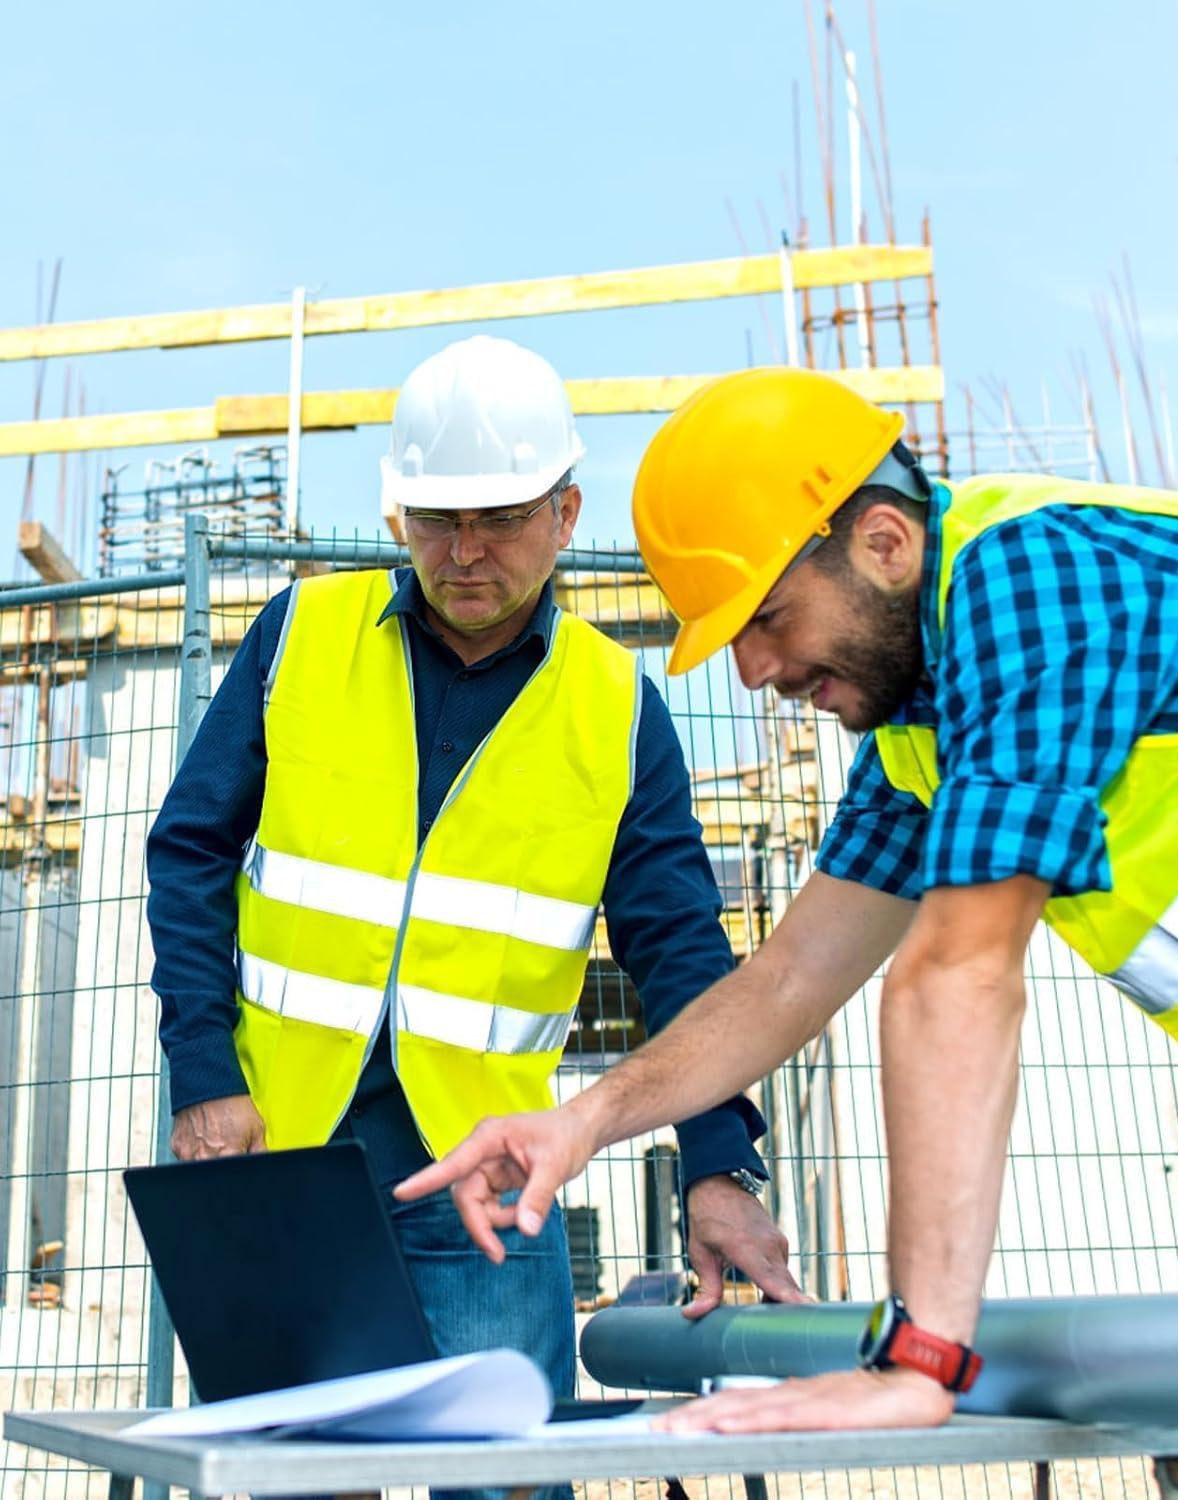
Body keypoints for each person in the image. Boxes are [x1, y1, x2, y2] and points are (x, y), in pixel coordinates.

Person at [398, 367, 1178, 1496]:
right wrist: (582, 1123)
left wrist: (921, 1354)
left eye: (768, 619)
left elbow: (958, 971)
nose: (757, 672)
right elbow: (789, 981)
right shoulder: (920, 735)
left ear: (882, 542)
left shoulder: (1035, 580)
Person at [146, 341, 803, 1488]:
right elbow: (188, 849)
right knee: (284, 1478)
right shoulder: (298, 640)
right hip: (282, 1155)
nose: (462, 553)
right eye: (435, 517)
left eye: (498, 518)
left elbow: (681, 949)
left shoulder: (614, 710)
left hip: (489, 1184)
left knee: (502, 1478)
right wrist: (204, 1071)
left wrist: (715, 1163)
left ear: (564, 512)